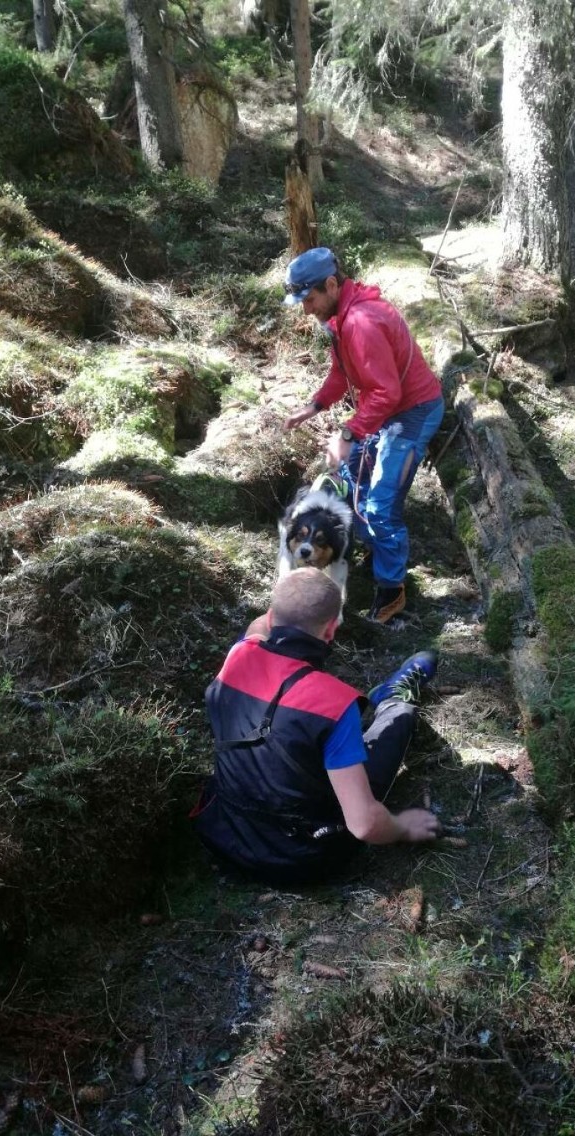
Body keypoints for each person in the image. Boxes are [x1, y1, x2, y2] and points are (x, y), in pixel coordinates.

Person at [192, 567, 442, 885]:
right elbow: (363, 825)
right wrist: (404, 826)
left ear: (270, 619)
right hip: (302, 861)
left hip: (223, 836)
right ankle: (395, 699)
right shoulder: (333, 703)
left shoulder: (237, 657)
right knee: (396, 723)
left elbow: (256, 628)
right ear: (329, 633)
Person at [282, 247, 444, 624]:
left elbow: (389, 393)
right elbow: (343, 373)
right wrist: (315, 405)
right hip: (386, 410)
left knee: (381, 508)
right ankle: (376, 549)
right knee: (354, 480)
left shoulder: (361, 322)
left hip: (412, 412)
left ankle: (391, 590)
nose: (306, 309)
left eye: (309, 299)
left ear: (331, 284)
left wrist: (348, 433)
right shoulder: (340, 316)